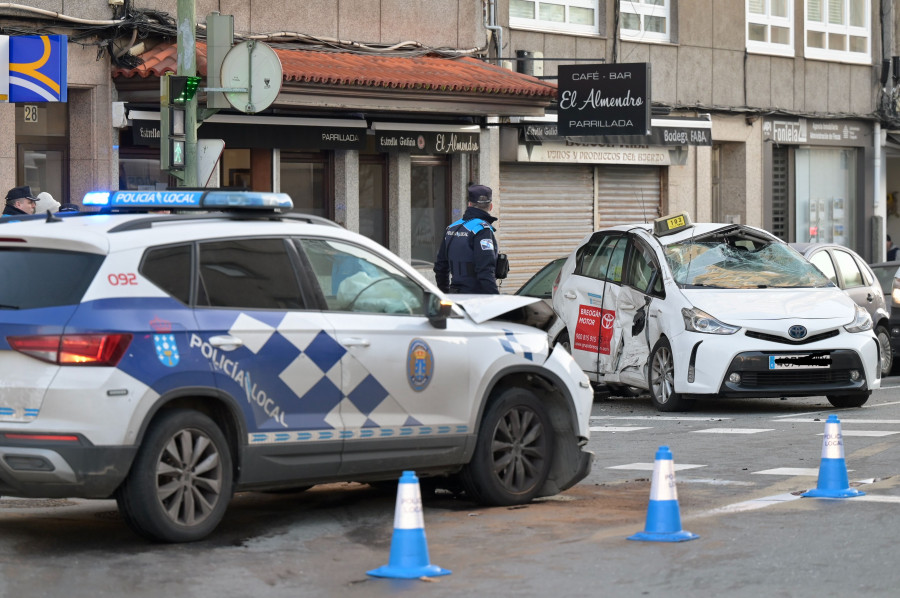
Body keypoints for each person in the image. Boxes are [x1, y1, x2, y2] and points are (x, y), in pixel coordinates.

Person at [434, 183, 500, 294]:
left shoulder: (451, 228)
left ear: (469, 204)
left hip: (455, 294)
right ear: (491, 206)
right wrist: (496, 299)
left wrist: (445, 294)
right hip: (476, 298)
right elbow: (485, 271)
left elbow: (440, 267)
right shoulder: (481, 229)